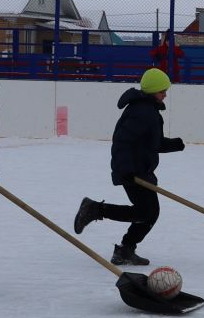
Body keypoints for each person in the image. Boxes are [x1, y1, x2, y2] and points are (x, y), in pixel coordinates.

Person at [73, 67, 185, 266]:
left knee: (149, 213)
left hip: (142, 169)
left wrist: (175, 144)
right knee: (147, 213)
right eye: (162, 91)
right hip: (132, 171)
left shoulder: (148, 110)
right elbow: (122, 141)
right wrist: (126, 170)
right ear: (152, 91)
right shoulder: (142, 112)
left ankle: (124, 249)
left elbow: (153, 143)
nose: (165, 95)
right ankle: (96, 210)